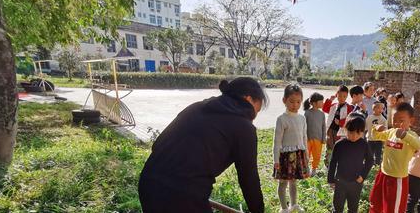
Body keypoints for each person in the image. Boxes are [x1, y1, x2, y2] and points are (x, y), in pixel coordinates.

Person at [139, 77, 267, 213]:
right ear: (248, 99)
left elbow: (158, 144)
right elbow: (248, 178)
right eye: (255, 112)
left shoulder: (196, 107)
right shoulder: (244, 127)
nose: (252, 118)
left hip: (149, 184)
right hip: (184, 196)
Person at [369, 102, 420, 213]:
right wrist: (376, 128)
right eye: (394, 120)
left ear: (411, 121)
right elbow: (375, 136)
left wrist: (404, 135)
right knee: (375, 204)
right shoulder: (391, 132)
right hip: (383, 174)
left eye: (401, 120)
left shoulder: (412, 136)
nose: (397, 123)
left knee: (393, 209)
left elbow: (418, 145)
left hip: (397, 179)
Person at [273, 84, 309, 213]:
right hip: (285, 156)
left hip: (298, 154)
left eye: (298, 102)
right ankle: (284, 208)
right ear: (284, 100)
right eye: (291, 101)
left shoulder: (302, 118)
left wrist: (307, 155)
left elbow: (304, 137)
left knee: (294, 182)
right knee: (283, 183)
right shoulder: (282, 119)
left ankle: (294, 205)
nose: (295, 105)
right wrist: (276, 159)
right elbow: (277, 141)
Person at [328, 114, 374, 213]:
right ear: (346, 129)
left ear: (362, 132)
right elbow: (333, 162)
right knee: (337, 207)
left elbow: (370, 160)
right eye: (351, 132)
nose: (354, 136)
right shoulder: (339, 144)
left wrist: (362, 176)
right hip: (340, 181)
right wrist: (331, 180)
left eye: (357, 133)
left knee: (353, 208)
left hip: (356, 182)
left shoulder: (364, 144)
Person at [322, 85, 354, 166]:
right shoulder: (333, 105)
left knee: (339, 147)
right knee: (329, 147)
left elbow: (349, 119)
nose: (341, 98)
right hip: (330, 130)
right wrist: (330, 100)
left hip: (340, 132)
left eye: (344, 96)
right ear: (337, 95)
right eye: (339, 96)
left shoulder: (349, 107)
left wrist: (340, 122)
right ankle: (328, 164)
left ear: (347, 96)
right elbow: (325, 109)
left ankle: (339, 164)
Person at [304, 92, 326, 177]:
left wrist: (323, 139)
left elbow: (324, 127)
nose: (322, 103)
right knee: (306, 155)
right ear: (314, 103)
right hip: (308, 139)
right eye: (321, 102)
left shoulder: (322, 114)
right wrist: (303, 138)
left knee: (317, 155)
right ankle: (306, 168)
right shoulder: (307, 113)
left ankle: (314, 169)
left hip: (318, 139)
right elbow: (304, 126)